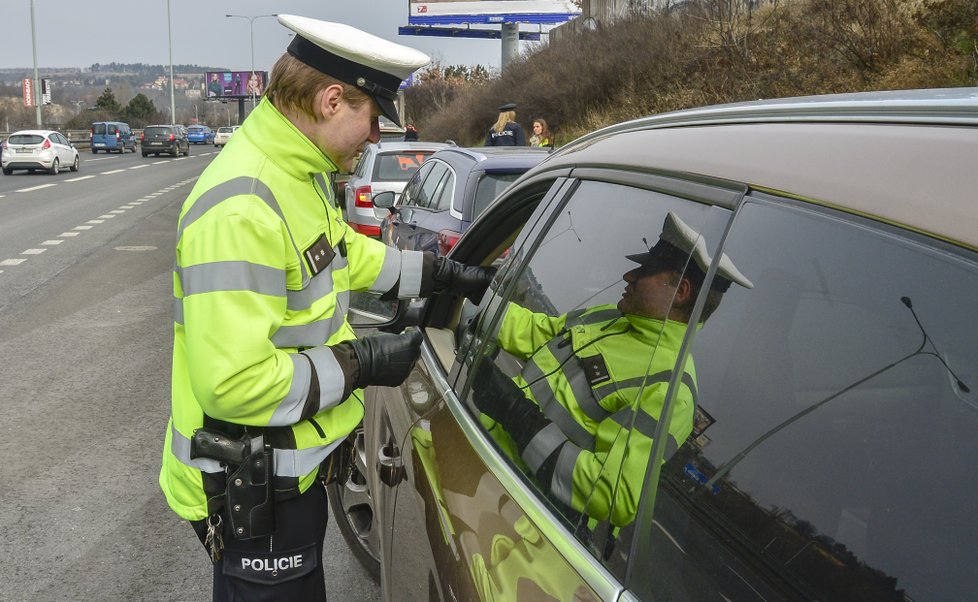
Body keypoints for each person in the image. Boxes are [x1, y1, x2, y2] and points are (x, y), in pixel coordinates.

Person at [159, 14, 495, 601]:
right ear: (331, 100)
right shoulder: (243, 208)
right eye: (372, 121)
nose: (374, 139)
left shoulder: (299, 173)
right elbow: (233, 385)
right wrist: (360, 363)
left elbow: (339, 254)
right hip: (248, 486)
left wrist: (435, 272)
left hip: (286, 471)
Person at [473, 212, 753, 531]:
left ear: (681, 291)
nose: (628, 276)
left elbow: (612, 493)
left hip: (522, 517)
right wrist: (472, 293)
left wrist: (517, 416)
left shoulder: (671, 390)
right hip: (489, 465)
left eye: (645, 271)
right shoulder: (611, 317)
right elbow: (537, 332)